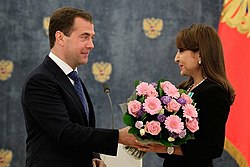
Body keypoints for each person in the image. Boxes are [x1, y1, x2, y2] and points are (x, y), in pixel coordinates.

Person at [21, 6, 139, 167]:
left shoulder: (72, 78)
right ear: (60, 37)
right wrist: (118, 136)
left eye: (92, 37)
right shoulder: (40, 80)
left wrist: (93, 155)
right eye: (84, 37)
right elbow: (65, 132)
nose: (91, 45)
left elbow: (82, 127)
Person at [137, 24, 235, 167]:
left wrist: (168, 148)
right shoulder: (184, 89)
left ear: (200, 54)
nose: (176, 58)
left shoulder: (214, 92)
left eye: (181, 51)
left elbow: (213, 148)